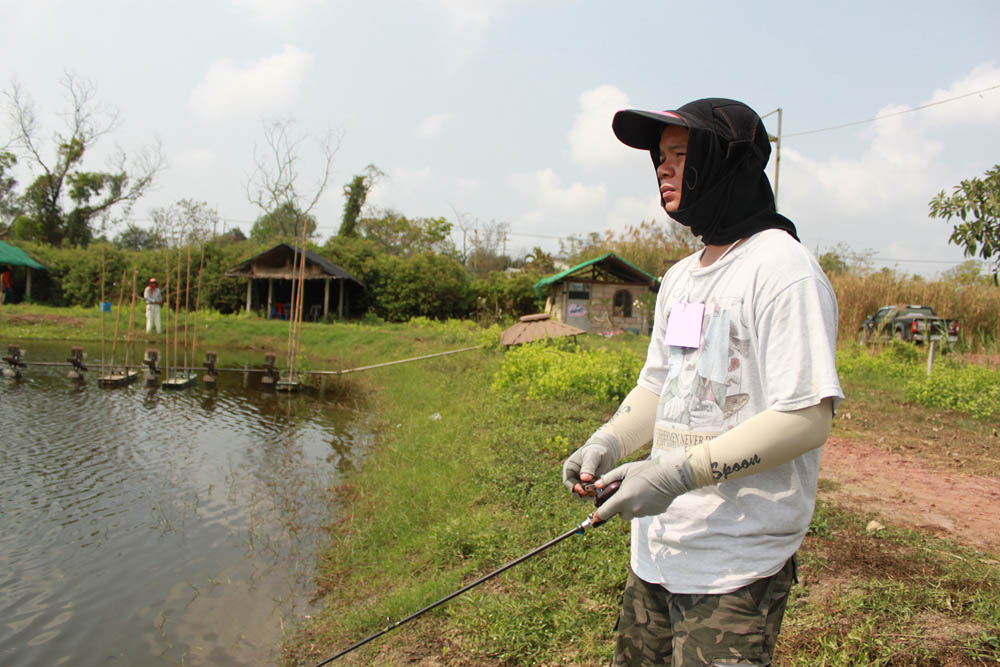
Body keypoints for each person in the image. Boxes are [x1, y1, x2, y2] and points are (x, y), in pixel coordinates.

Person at [562, 98, 844, 666]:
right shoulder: (681, 278)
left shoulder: (782, 269)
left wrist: (677, 474)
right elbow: (659, 384)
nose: (663, 168)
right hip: (659, 548)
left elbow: (807, 417)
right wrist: (608, 442)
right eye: (659, 157)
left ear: (725, 162)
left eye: (681, 154)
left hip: (735, 560)